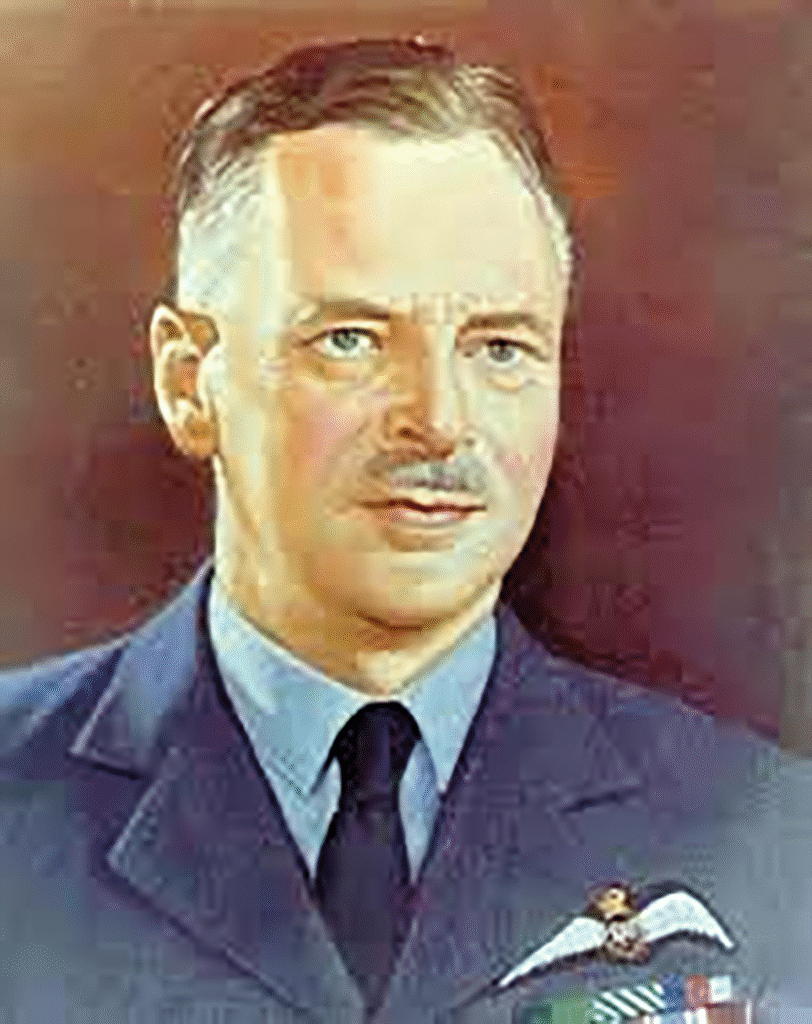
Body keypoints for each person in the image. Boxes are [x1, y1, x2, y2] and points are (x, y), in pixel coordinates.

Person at [0, 37, 809, 1024]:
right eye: (350, 339)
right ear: (187, 382)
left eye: (498, 347)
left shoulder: (767, 833)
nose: (439, 419)